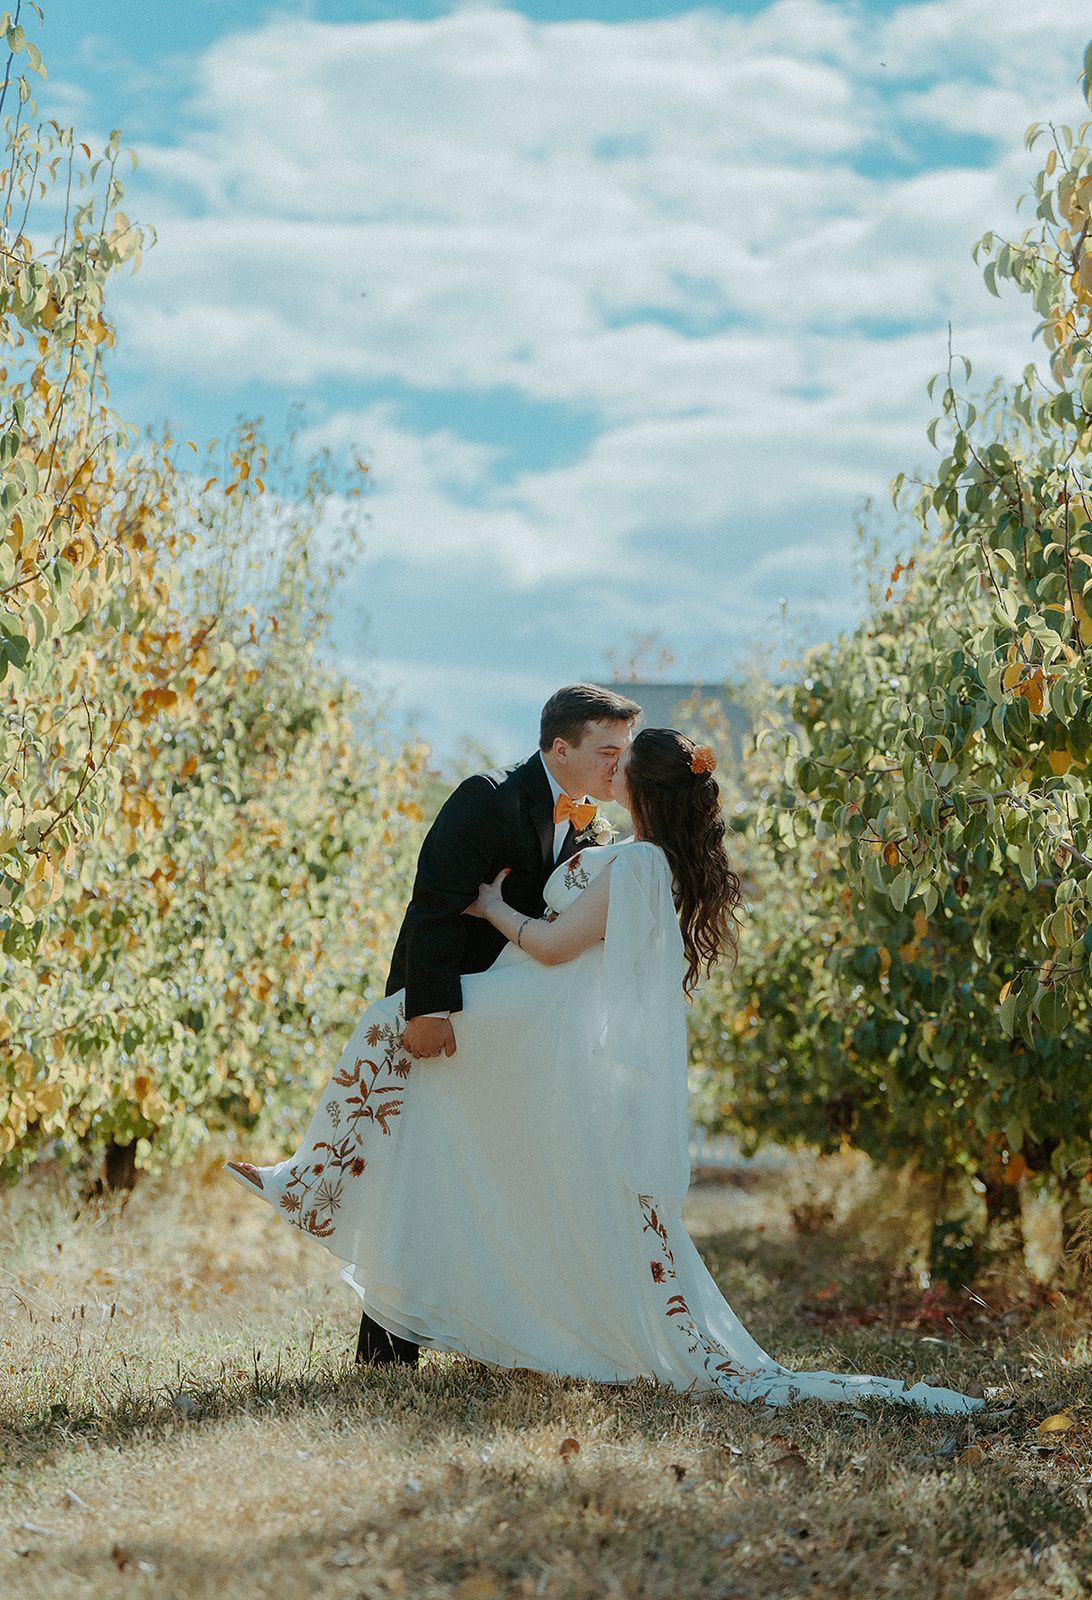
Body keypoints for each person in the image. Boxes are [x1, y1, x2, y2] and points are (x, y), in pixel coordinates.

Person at [225, 715, 987, 1417]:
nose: (609, 767)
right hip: (535, 1012)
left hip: (537, 1014)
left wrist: (492, 907)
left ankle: (309, 1178)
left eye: (622, 761)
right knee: (425, 1096)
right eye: (608, 754)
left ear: (642, 785)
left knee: (390, 1023)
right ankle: (335, 1205)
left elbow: (556, 947)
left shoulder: (636, 864)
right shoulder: (636, 857)